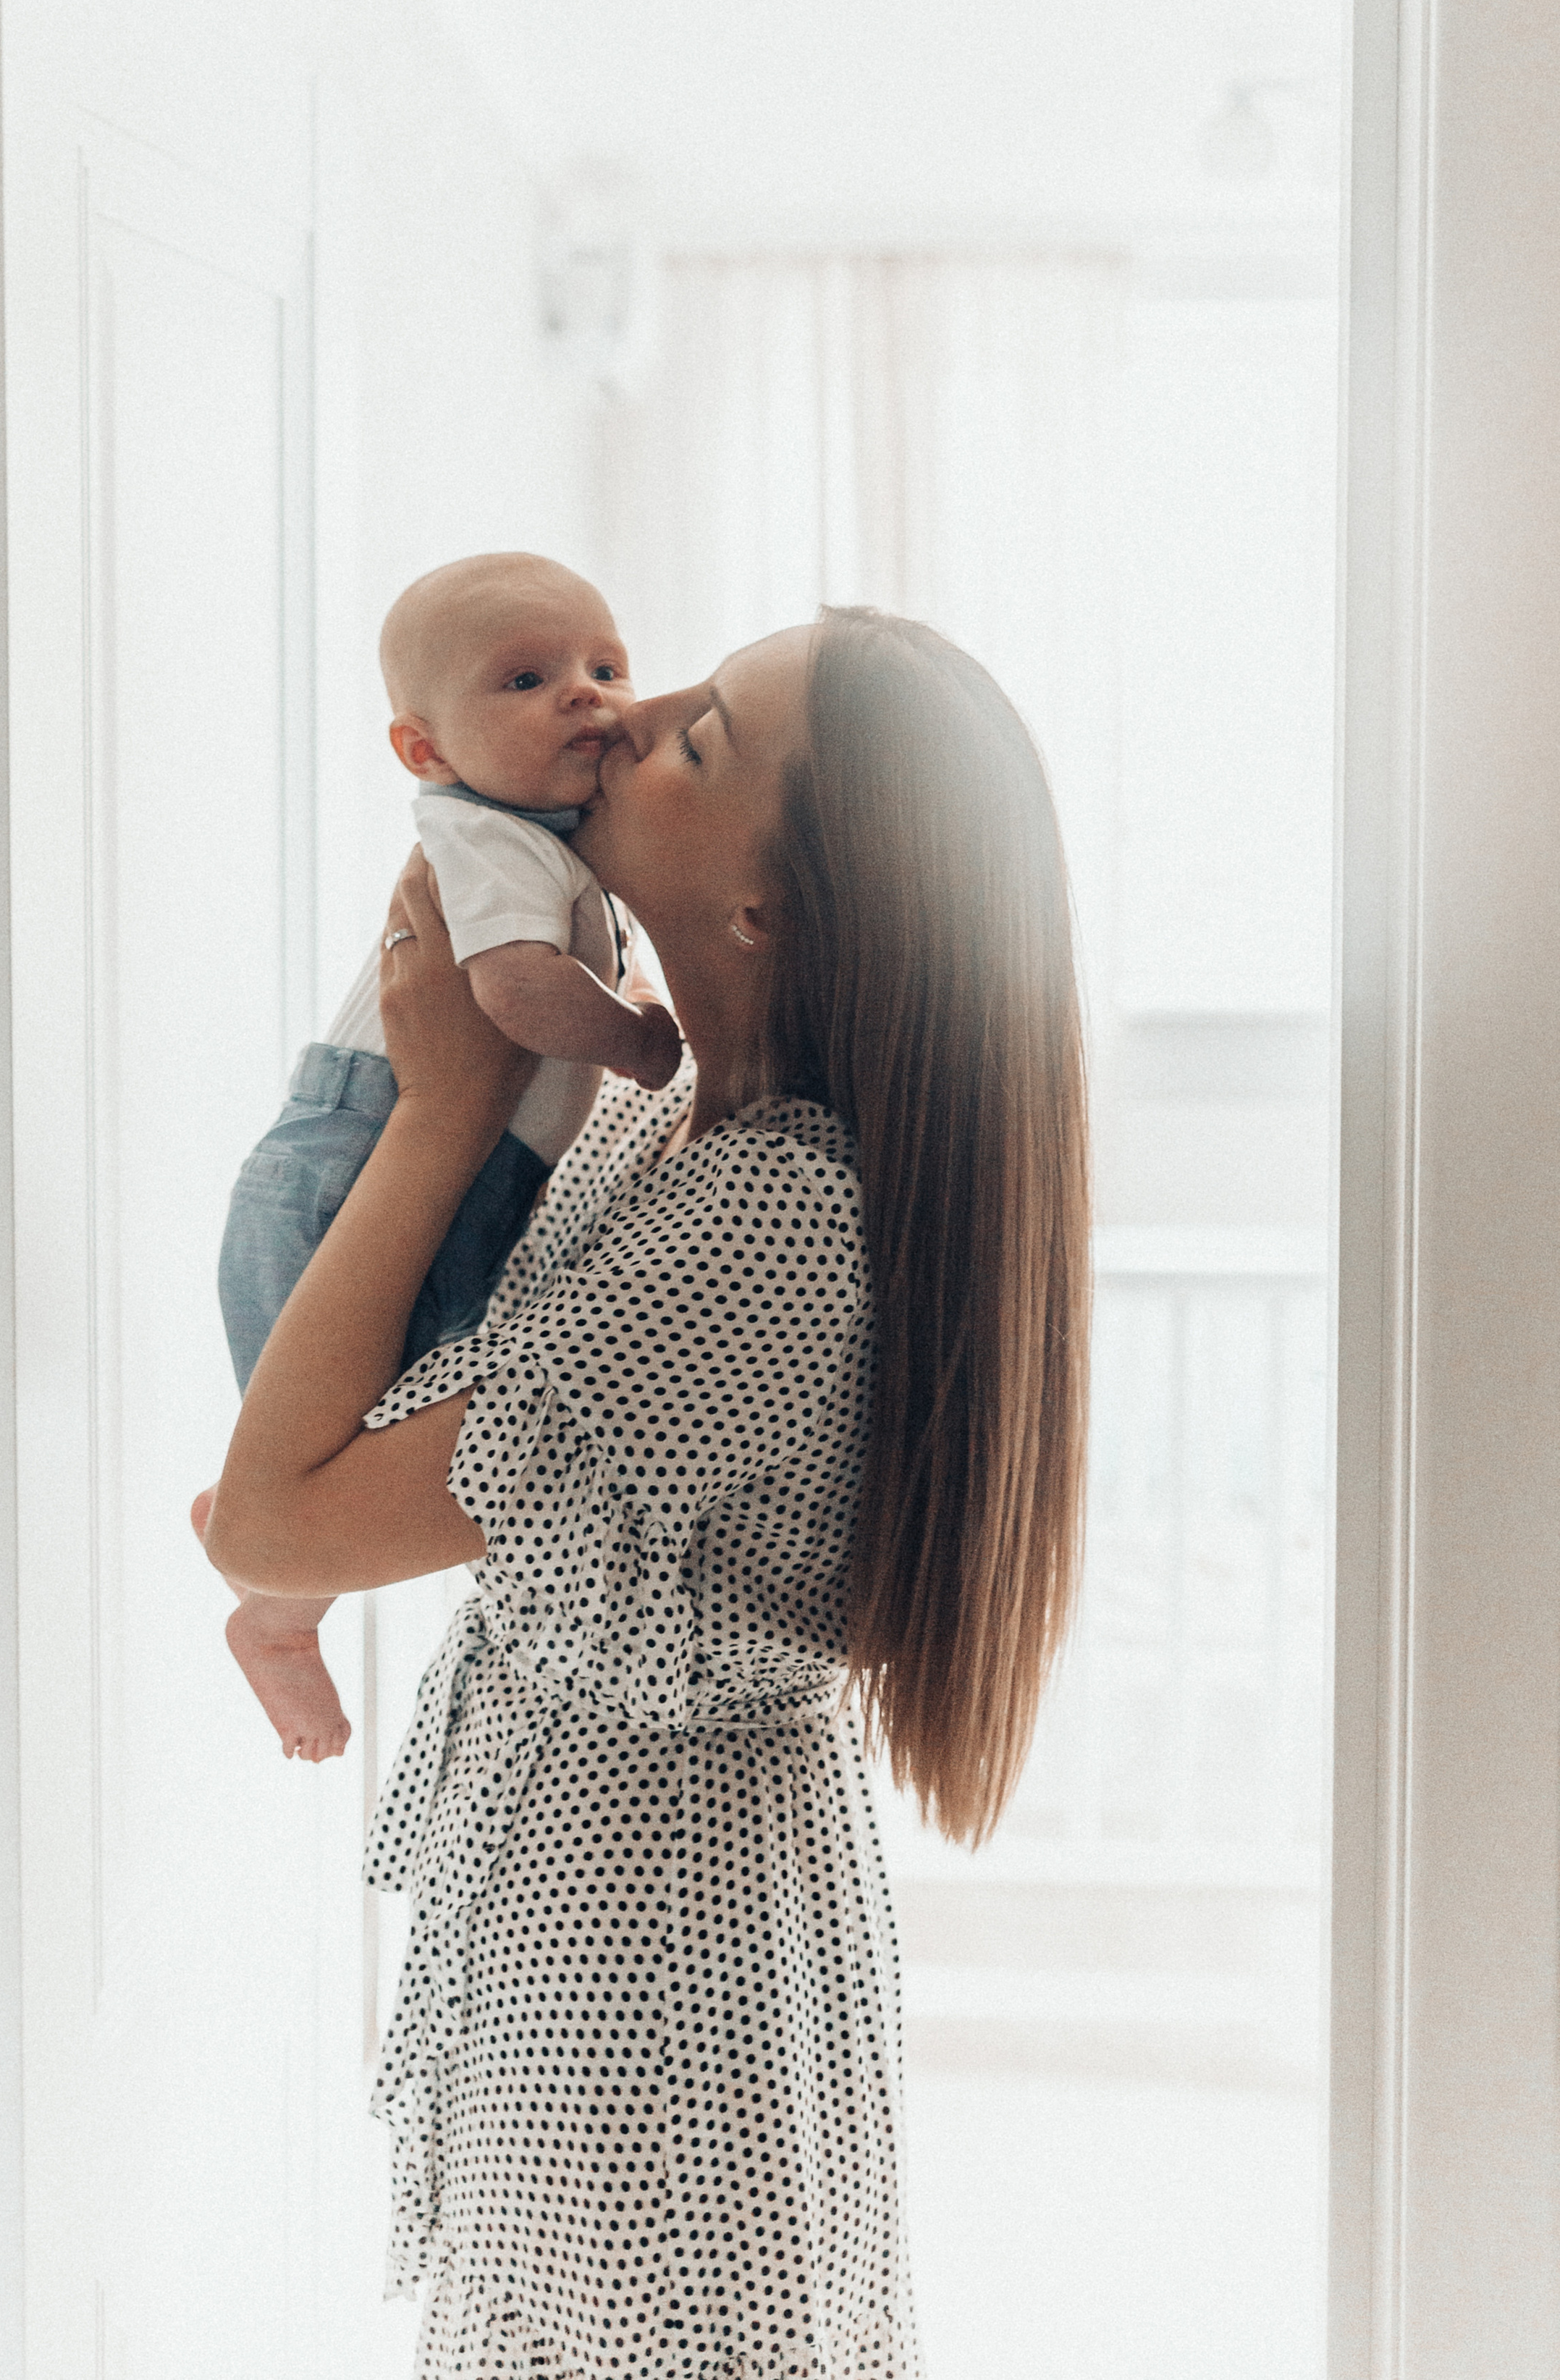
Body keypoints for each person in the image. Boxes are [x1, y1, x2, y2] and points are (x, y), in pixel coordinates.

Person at [198, 605, 1092, 2380]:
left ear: (767, 909)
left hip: (646, 1955)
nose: (629, 715)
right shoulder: (653, 1106)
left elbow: (274, 1515)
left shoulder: (768, 1220)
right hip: (594, 1898)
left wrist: (444, 1107)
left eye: (700, 737)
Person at [207, 552, 681, 1764]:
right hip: (355, 1162)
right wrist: (638, 1039)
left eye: (604, 665)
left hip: (447, 1165)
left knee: (396, 1440)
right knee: (358, 1452)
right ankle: (271, 1600)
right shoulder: (485, 836)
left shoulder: (553, 841)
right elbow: (520, 993)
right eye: (527, 678)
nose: (586, 695)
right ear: (425, 751)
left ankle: (264, 1563)